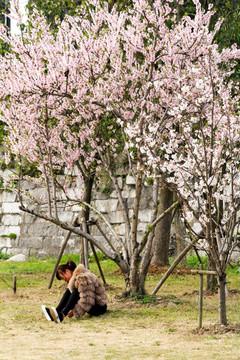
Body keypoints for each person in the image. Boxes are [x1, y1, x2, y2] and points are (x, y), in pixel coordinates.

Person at [42, 260, 108, 323]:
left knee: (75, 289)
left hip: (99, 307)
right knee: (69, 289)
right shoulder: (77, 277)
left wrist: (74, 311)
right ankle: (56, 311)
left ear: (67, 271)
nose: (64, 280)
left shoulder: (82, 277)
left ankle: (62, 315)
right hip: (93, 304)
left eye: (63, 277)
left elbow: (87, 301)